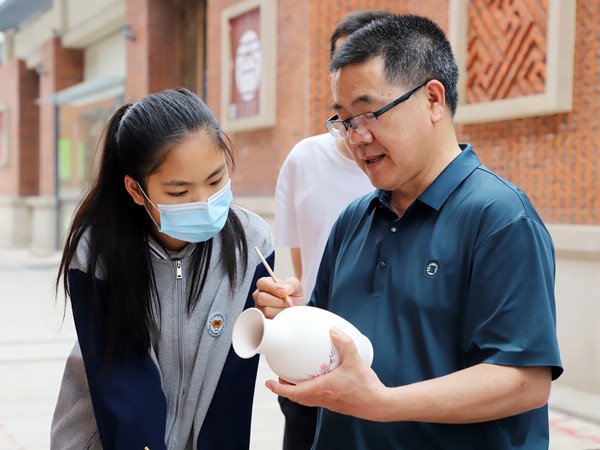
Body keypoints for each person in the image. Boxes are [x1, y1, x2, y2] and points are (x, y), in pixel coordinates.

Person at [254, 14, 562, 449]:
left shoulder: (500, 217)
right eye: (344, 121)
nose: (356, 137)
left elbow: (524, 381)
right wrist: (289, 322)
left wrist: (382, 403)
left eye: (368, 114)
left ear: (433, 99)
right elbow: (328, 356)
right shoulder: (354, 220)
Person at [50, 88, 274, 449]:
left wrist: (286, 321)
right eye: (179, 192)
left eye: (215, 180)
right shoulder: (97, 250)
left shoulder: (252, 243)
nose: (204, 201)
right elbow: (123, 387)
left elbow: (234, 383)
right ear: (136, 190)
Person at [274, 10, 388, 449]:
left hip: (380, 357)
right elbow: (304, 264)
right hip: (312, 354)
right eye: (341, 60)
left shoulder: (400, 167)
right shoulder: (304, 159)